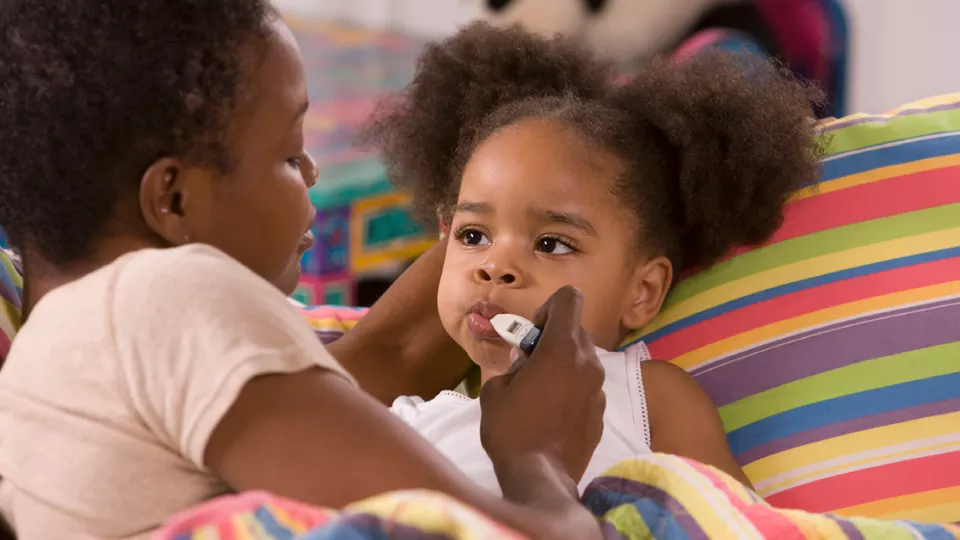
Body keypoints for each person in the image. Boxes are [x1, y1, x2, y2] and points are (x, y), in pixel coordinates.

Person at [0, 3, 608, 539]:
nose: (313, 171)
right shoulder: (165, 294)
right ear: (174, 200)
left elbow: (376, 365)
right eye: (289, 154)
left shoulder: (51, 361)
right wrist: (539, 454)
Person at [362, 22, 825, 492]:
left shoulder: (646, 396)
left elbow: (740, 524)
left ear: (642, 292)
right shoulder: (409, 421)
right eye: (474, 235)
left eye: (551, 244)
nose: (494, 266)